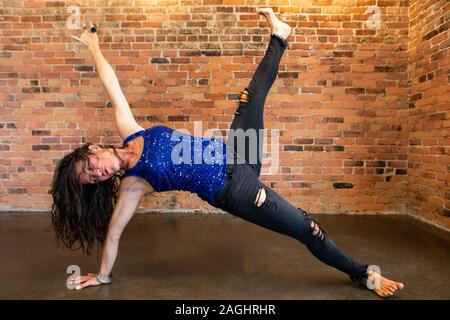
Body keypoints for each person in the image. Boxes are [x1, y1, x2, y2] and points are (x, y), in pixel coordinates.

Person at [51, 8, 404, 298]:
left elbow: (111, 85)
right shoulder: (133, 184)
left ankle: (280, 37)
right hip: (235, 190)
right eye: (92, 179)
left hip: (238, 153)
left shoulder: (132, 133)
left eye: (90, 167)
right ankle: (363, 274)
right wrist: (102, 276)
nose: (97, 175)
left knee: (250, 98)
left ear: (93, 149)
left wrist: (93, 45)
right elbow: (113, 234)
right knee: (307, 228)